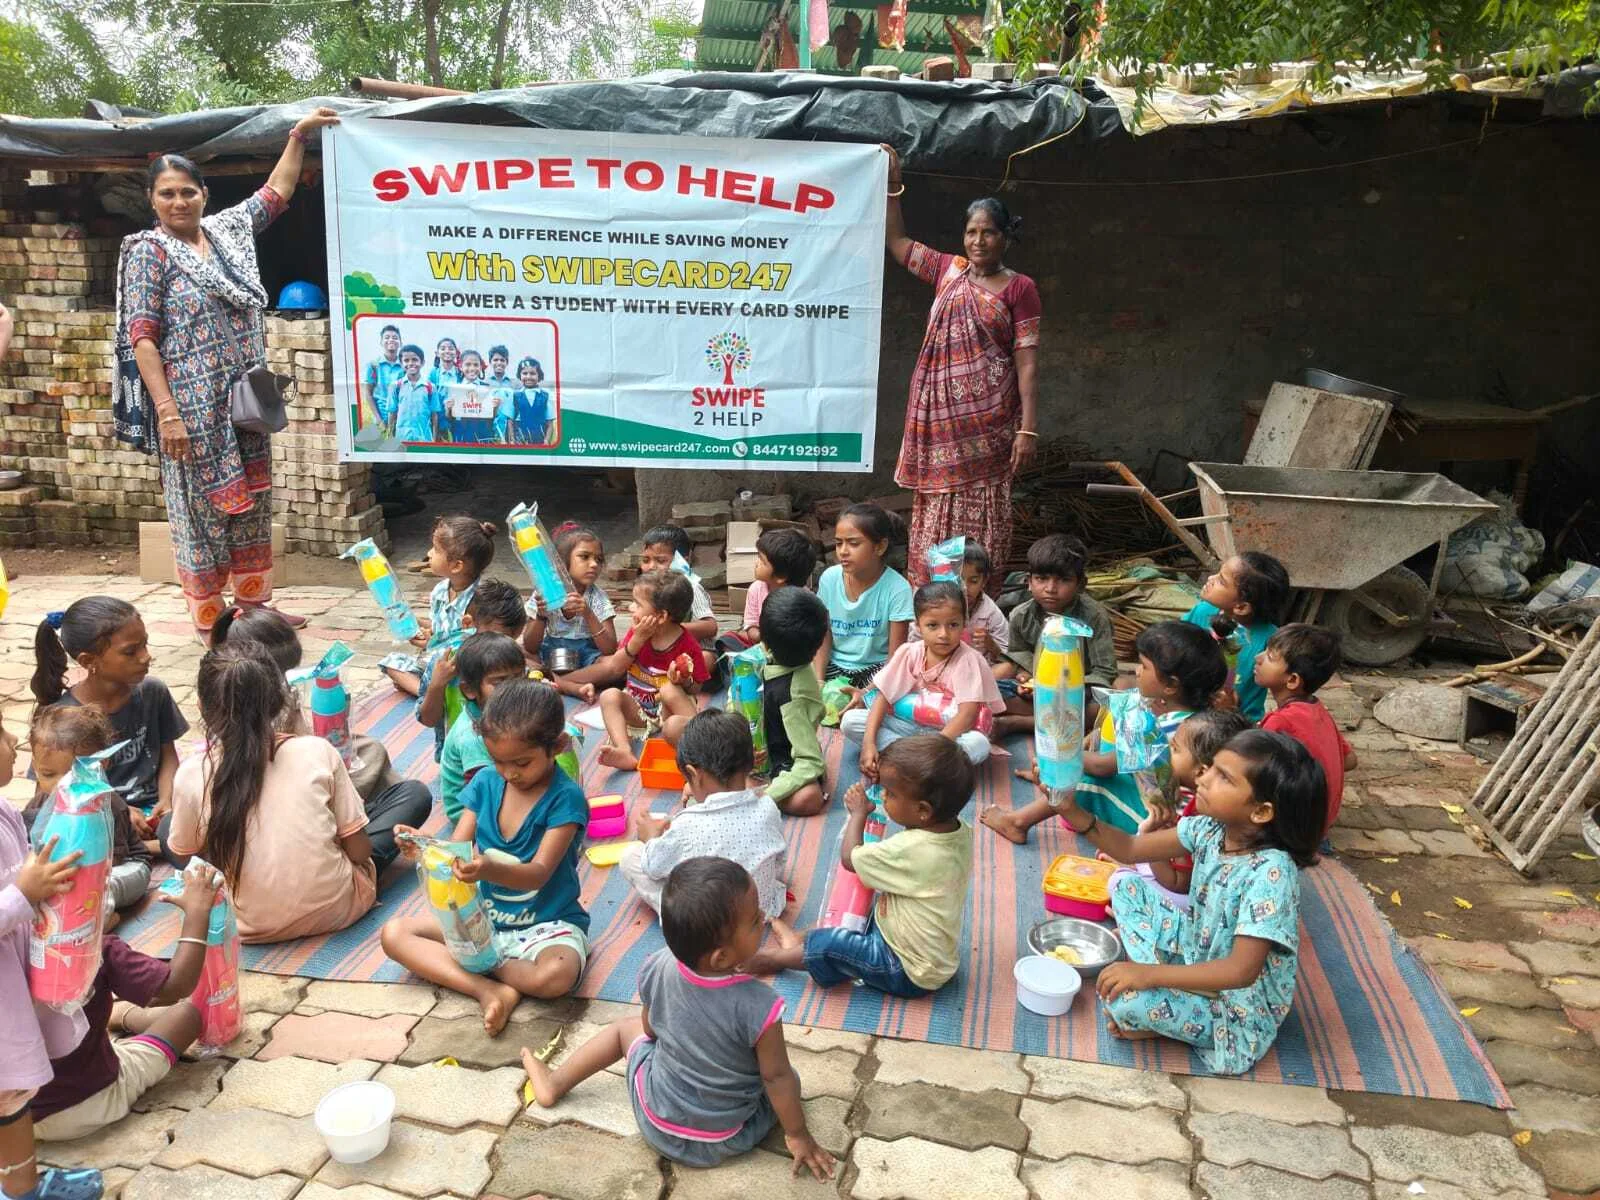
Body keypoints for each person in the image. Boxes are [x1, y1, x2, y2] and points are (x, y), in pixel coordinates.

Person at [118, 108, 341, 635]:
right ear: (152, 199)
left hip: (246, 404)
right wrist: (167, 413)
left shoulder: (227, 234)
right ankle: (211, 621)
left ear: (204, 194)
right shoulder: (149, 253)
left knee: (253, 508)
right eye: (167, 194)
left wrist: (298, 135)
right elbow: (142, 337)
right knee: (200, 515)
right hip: (190, 413)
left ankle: (255, 610)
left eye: (187, 192)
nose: (178, 202)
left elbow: (276, 193)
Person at [522, 857, 833, 1178]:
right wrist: (798, 1135)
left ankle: (554, 1084)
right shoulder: (762, 1005)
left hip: (657, 1123)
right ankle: (789, 1130)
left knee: (623, 1030)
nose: (763, 919)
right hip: (726, 1138)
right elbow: (775, 1078)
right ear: (721, 957)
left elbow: (650, 1030)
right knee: (787, 1077)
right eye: (755, 920)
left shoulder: (657, 964)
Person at [1052, 729, 1325, 1074]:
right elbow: (1130, 849)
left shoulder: (1272, 874)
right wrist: (1070, 809)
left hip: (1236, 1005)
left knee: (1125, 1003)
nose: (1203, 777)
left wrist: (1150, 976)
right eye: (1210, 767)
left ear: (1260, 811)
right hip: (1199, 949)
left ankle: (1161, 1005)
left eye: (1223, 777)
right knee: (1126, 886)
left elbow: (1241, 971)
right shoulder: (1209, 829)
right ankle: (1165, 983)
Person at [168, 644, 432, 943]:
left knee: (170, 831)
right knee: (413, 794)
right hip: (341, 908)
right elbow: (359, 852)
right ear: (278, 700)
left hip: (251, 924)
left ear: (201, 707)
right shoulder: (315, 750)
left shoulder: (190, 774)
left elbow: (189, 858)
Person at [384, 680, 589, 1036]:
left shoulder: (565, 799)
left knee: (557, 974)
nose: (509, 773)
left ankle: (480, 966)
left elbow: (539, 873)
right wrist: (424, 846)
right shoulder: (485, 783)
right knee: (395, 933)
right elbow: (457, 851)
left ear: (557, 746)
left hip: (547, 926)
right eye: (498, 762)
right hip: (483, 922)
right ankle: (489, 989)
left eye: (522, 763)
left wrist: (491, 870)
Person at [882, 145, 1040, 584]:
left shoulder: (1020, 288)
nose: (978, 241)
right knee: (936, 507)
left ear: (1005, 237)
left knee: (987, 511)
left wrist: (1028, 429)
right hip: (941, 427)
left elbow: (1027, 362)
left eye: (988, 232)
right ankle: (934, 598)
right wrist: (893, 185)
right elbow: (897, 243)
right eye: (971, 232)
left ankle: (977, 598)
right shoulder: (947, 272)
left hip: (992, 423)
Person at [748, 735, 974, 998]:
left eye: (891, 793)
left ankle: (776, 959)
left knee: (831, 945)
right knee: (851, 914)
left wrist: (858, 814)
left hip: (904, 968)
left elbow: (850, 858)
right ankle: (801, 940)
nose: (884, 797)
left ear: (923, 810)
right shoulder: (961, 831)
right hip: (928, 952)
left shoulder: (911, 849)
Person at [983, 621, 1225, 842]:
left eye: (1144, 666)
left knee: (1089, 780)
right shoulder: (1188, 715)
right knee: (1120, 709)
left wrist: (1057, 763)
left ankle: (1019, 821)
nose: (1137, 671)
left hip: (1158, 821)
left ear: (1171, 685)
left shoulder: (1166, 730)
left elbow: (1102, 766)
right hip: (1153, 796)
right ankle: (1053, 778)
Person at [32, 864, 217, 1143]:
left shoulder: (10, 954)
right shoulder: (97, 950)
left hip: (15, 1121)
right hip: (92, 1102)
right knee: (187, 1014)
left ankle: (116, 1014)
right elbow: (178, 986)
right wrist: (197, 913)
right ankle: (121, 1014)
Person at [0, 719, 107, 1200]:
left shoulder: (4, 809)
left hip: (13, 977)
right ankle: (21, 1191)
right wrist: (22, 894)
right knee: (8, 1098)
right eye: (0, 734)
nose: (12, 742)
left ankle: (17, 1181)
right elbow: (20, 889)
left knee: (11, 1094)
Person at [31, 598, 187, 859]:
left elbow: (168, 754)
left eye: (145, 644)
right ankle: (157, 849)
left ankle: (160, 846)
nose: (145, 656)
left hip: (153, 811)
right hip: (97, 814)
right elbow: (51, 792)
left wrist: (167, 800)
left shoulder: (153, 691)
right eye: (131, 652)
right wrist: (119, 811)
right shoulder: (63, 717)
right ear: (88, 661)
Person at [209, 604, 405, 802]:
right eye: (282, 672)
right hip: (282, 779)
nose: (286, 678)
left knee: (369, 748)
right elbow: (290, 753)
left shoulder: (267, 689)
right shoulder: (249, 704)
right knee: (374, 763)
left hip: (295, 759)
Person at [621, 712, 788, 921]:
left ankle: (681, 922)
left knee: (630, 857)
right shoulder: (767, 806)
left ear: (694, 774)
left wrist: (650, 839)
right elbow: (780, 858)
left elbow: (653, 867)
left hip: (709, 925)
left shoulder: (687, 824)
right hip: (761, 909)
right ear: (750, 763)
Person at [844, 581, 1003, 770]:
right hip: (907, 726)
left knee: (978, 744)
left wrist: (932, 748)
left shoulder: (968, 660)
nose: (943, 634)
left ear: (964, 624)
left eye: (953, 625)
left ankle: (905, 758)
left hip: (947, 735)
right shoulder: (909, 653)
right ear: (918, 626)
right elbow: (883, 697)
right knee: (851, 721)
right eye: (932, 625)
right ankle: (918, 762)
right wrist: (868, 743)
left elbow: (967, 715)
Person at [1113, 708, 1252, 904]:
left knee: (1120, 882)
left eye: (1174, 749)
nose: (1165, 752)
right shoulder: (1185, 797)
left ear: (1201, 771)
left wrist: (1147, 836)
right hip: (1172, 874)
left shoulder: (1196, 813)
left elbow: (1177, 882)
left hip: (1194, 899)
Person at [24, 706, 151, 918]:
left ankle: (102, 918)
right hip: (67, 875)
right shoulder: (40, 804)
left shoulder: (108, 806)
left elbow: (113, 860)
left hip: (123, 867)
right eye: (48, 774)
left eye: (74, 773)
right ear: (35, 767)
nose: (62, 785)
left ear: (101, 765)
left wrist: (70, 875)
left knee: (104, 887)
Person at [992, 534, 1116, 738]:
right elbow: (1018, 656)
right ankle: (1051, 718)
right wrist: (1026, 678)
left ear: (1081, 584)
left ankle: (1019, 723)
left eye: (1064, 580)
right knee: (993, 688)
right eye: (1041, 579)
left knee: (1112, 701)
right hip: (1035, 690)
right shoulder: (1020, 615)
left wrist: (1068, 688)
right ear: (1029, 582)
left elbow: (1105, 671)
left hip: (1079, 693)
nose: (1050, 589)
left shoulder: (1094, 617)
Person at [596, 572, 709, 771]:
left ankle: (700, 740)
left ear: (662, 616)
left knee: (669, 689)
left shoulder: (688, 646)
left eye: (637, 604)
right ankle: (623, 750)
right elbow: (615, 668)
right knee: (609, 696)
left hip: (670, 712)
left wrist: (683, 681)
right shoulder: (637, 633)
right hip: (639, 710)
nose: (631, 608)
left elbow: (696, 688)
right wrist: (636, 641)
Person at [380, 514, 497, 696]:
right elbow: (438, 627)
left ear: (456, 566)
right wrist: (414, 622)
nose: (429, 553)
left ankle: (429, 692)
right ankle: (426, 689)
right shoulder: (440, 590)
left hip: (460, 666)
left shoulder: (478, 601)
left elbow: (476, 647)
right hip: (434, 660)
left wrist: (433, 643)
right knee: (391, 663)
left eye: (435, 549)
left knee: (465, 676)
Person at [1255, 623, 1356, 832]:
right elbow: (1350, 760)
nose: (1258, 658)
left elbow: (1250, 768)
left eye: (1270, 657)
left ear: (1292, 680)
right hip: (1323, 820)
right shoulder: (1318, 711)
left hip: (1296, 828)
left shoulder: (1280, 721)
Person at [416, 575, 527, 763]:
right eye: (496, 637)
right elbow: (428, 719)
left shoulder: (510, 661)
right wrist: (437, 684)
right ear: (468, 623)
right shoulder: (445, 664)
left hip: (504, 754)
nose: (503, 648)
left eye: (512, 640)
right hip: (457, 760)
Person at [814, 503, 915, 689]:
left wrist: (865, 694)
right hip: (834, 665)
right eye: (838, 543)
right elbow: (823, 635)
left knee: (889, 696)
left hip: (878, 670)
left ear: (880, 547)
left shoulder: (898, 588)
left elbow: (895, 657)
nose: (843, 551)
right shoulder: (829, 578)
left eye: (853, 543)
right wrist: (818, 681)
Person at [1184, 552, 1290, 723]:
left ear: (1241, 607)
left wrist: (1232, 707)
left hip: (1237, 724)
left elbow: (1285, 688)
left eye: (1221, 581)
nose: (1210, 578)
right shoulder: (1203, 611)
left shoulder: (1271, 639)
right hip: (1189, 712)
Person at [440, 632, 527, 823]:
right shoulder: (472, 737)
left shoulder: (498, 712)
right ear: (470, 690)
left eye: (519, 677)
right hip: (472, 814)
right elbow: (485, 795)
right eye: (500, 682)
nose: (514, 688)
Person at [757, 588, 829, 817]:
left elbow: (811, 762)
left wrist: (767, 795)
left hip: (784, 760)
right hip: (756, 747)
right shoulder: (764, 659)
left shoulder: (793, 696)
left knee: (809, 799)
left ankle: (752, 799)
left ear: (765, 641)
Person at [523, 524, 617, 687]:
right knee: (516, 653)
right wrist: (541, 615)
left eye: (598, 559)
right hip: (549, 655)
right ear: (560, 562)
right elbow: (530, 646)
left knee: (612, 664)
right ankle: (569, 683)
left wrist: (588, 614)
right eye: (585, 557)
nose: (594, 564)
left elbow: (609, 649)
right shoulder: (545, 593)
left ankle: (556, 681)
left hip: (587, 659)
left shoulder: (597, 597)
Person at [639, 525, 722, 683]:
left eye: (661, 560)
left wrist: (670, 629)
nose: (651, 567)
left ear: (683, 560)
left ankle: (669, 679)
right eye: (645, 560)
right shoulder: (645, 590)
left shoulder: (690, 587)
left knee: (706, 659)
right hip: (661, 649)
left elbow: (710, 626)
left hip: (693, 651)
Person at [911, 540, 1007, 660]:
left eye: (973, 581)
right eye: (958, 580)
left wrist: (990, 644)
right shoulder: (929, 605)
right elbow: (913, 644)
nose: (965, 587)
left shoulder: (990, 612)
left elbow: (1006, 656)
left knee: (1007, 667)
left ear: (984, 581)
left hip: (976, 667)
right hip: (934, 663)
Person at [736, 528, 818, 646]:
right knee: (729, 638)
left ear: (781, 576)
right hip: (763, 644)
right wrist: (764, 637)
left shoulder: (804, 599)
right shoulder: (756, 589)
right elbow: (751, 625)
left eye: (763, 561)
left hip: (794, 649)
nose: (756, 563)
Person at [389, 344, 440, 443]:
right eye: (406, 360)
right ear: (401, 364)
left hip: (424, 438)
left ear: (422, 362)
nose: (411, 363)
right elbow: (392, 413)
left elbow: (434, 416)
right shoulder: (396, 386)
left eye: (415, 360)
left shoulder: (430, 387)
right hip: (401, 438)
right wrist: (390, 437)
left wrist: (433, 440)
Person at [364, 324, 405, 430]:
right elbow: (368, 393)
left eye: (395, 337)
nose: (391, 340)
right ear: (381, 342)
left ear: (400, 343)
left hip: (401, 419)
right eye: (387, 337)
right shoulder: (374, 365)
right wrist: (379, 420)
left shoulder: (405, 366)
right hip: (381, 418)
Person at [509, 357, 554, 444]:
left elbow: (550, 423)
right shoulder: (515, 396)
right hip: (520, 442)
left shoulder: (546, 396)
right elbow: (510, 421)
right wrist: (512, 441)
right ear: (520, 375)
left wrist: (546, 441)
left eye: (532, 373)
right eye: (525, 373)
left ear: (539, 375)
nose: (528, 377)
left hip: (539, 442)